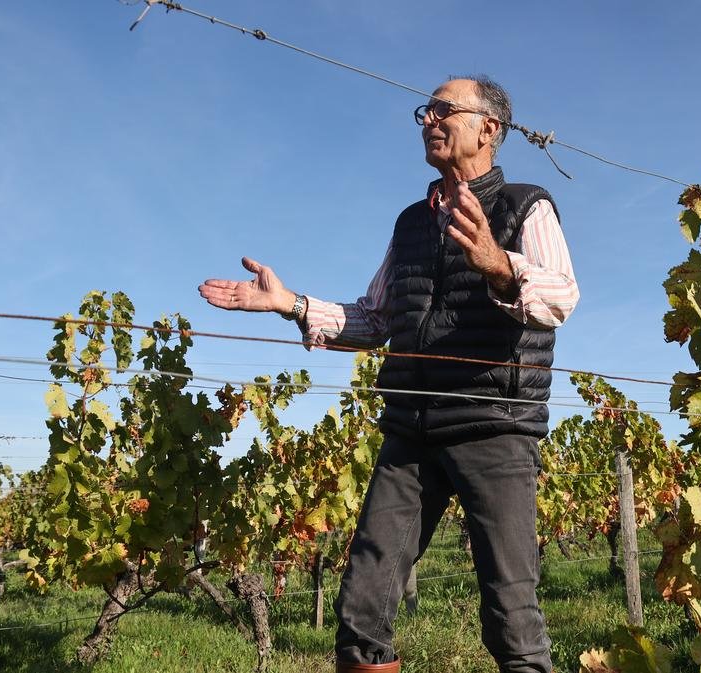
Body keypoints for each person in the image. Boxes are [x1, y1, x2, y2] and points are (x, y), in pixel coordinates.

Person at [198, 75, 578, 673]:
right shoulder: (410, 222)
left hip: (494, 427)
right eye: (424, 112)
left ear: (489, 128)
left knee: (510, 612)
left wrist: (498, 264)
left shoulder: (525, 205)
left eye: (442, 110)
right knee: (362, 608)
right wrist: (289, 303)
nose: (429, 120)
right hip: (411, 427)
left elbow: (561, 296)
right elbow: (376, 319)